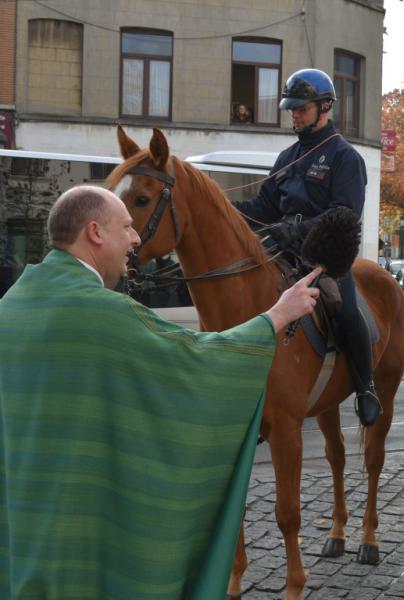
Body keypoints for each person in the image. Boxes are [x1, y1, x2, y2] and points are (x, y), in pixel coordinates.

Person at [0, 185, 321, 599]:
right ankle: (367, 387)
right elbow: (196, 359)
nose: (135, 239)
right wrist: (278, 314)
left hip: (22, 538)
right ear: (96, 233)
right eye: (127, 227)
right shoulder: (109, 315)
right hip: (84, 545)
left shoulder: (10, 305)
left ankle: (364, 378)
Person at [233, 68, 382, 427]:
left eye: (302, 108)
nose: (295, 115)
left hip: (326, 257)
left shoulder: (345, 157)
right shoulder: (287, 158)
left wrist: (297, 230)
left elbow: (345, 216)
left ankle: (366, 386)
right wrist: (223, 211)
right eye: (292, 109)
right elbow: (263, 208)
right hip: (281, 251)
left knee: (345, 310)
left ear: (325, 106)